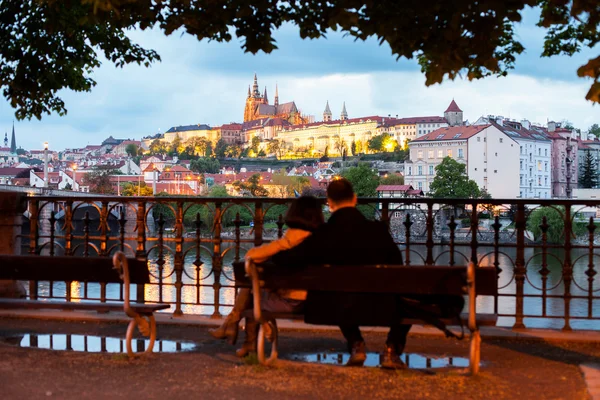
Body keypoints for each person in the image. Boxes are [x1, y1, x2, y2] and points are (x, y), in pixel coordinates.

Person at [271, 178, 409, 369]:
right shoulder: (378, 231)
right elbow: (398, 269)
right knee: (408, 298)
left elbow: (289, 259)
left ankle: (356, 342)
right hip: (383, 306)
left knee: (339, 294)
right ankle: (392, 348)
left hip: (335, 308)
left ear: (329, 202)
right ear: (354, 199)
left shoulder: (323, 235)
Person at [209, 196, 324, 356]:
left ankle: (235, 328)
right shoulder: (322, 240)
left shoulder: (290, 239)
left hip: (292, 302)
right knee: (252, 290)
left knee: (251, 292)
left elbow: (251, 255)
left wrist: (272, 252)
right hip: (316, 301)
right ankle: (233, 327)